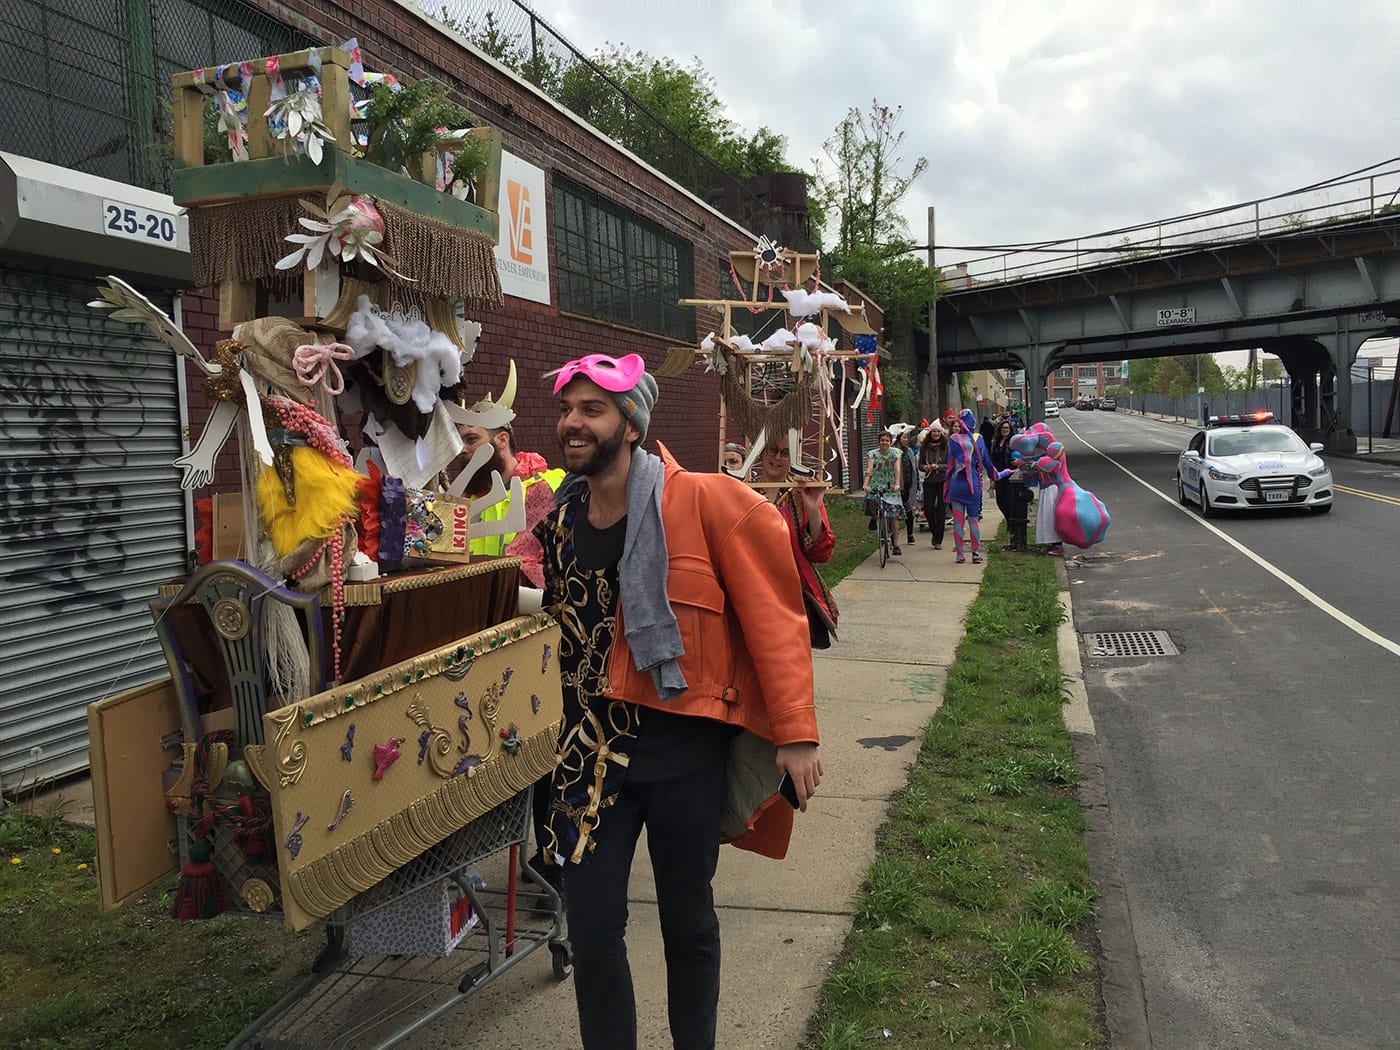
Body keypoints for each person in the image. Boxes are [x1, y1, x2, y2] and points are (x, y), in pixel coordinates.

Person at [535, 353, 823, 1050]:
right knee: (593, 934)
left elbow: (775, 616)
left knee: (687, 924)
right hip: (588, 759)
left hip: (683, 753)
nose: (573, 423)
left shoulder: (702, 502)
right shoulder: (561, 520)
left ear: (631, 424)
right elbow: (565, 626)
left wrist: (795, 732)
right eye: (567, 409)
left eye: (592, 410)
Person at [448, 364, 566, 588]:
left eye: (471, 439)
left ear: (502, 440)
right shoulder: (464, 496)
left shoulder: (540, 489)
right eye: (459, 441)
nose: (461, 449)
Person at [757, 436, 839, 649]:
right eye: (772, 450)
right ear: (761, 452)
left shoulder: (801, 495)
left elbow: (820, 553)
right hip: (751, 591)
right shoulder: (742, 491)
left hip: (791, 597)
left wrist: (813, 512)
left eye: (785, 453)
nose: (777, 457)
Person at [944, 408, 998, 564]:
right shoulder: (978, 438)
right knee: (973, 520)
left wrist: (946, 491)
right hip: (973, 486)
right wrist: (996, 476)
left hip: (957, 485)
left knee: (958, 521)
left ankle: (960, 554)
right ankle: (976, 553)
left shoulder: (953, 439)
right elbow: (987, 462)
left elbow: (949, 466)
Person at [863, 430, 902, 555]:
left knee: (894, 515)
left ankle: (896, 544)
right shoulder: (873, 454)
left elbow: (897, 468)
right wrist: (866, 484)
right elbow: (869, 470)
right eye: (882, 440)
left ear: (890, 442)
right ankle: (874, 518)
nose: (884, 442)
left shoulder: (895, 453)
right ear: (878, 442)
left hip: (891, 484)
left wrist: (897, 483)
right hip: (876, 483)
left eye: (887, 440)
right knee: (871, 498)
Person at [918, 423, 949, 549]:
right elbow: (920, 464)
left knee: (941, 510)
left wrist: (939, 467)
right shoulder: (924, 447)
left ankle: (938, 540)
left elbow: (950, 465)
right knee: (928, 509)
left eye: (938, 431)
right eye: (933, 431)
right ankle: (935, 532)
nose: (936, 434)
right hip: (929, 480)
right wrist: (924, 467)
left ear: (941, 433)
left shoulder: (946, 447)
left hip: (943, 481)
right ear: (930, 433)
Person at [989, 418, 1016, 524]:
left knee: (1009, 500)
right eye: (1003, 428)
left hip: (1010, 474)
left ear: (1010, 429)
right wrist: (992, 478)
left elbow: (1020, 454)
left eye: (1007, 428)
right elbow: (992, 459)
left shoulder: (1013, 442)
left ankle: (1011, 523)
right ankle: (1008, 519)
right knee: (1000, 501)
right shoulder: (996, 442)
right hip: (998, 474)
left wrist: (1018, 461)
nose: (1005, 430)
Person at [897, 429, 920, 547]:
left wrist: (917, 483)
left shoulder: (909, 451)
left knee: (908, 510)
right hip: (896, 486)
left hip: (908, 484)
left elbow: (914, 468)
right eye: (903, 437)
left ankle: (910, 534)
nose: (906, 440)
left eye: (907, 437)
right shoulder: (893, 451)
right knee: (894, 512)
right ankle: (892, 535)